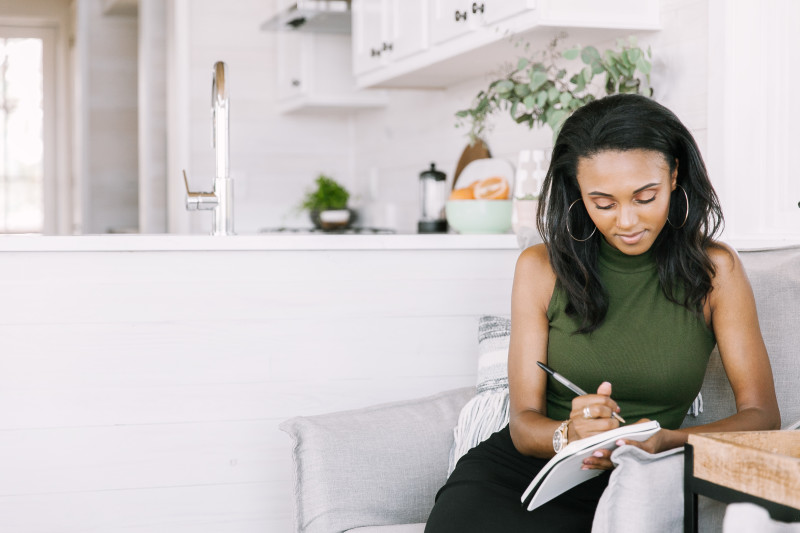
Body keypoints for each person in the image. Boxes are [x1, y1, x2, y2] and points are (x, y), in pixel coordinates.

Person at [424, 94, 780, 532]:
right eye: (604, 203)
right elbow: (523, 426)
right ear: (578, 193)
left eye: (645, 197)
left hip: (642, 483)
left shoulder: (715, 271)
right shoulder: (540, 268)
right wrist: (568, 434)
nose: (627, 221)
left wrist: (666, 441)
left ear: (674, 175)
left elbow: (762, 416)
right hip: (524, 476)